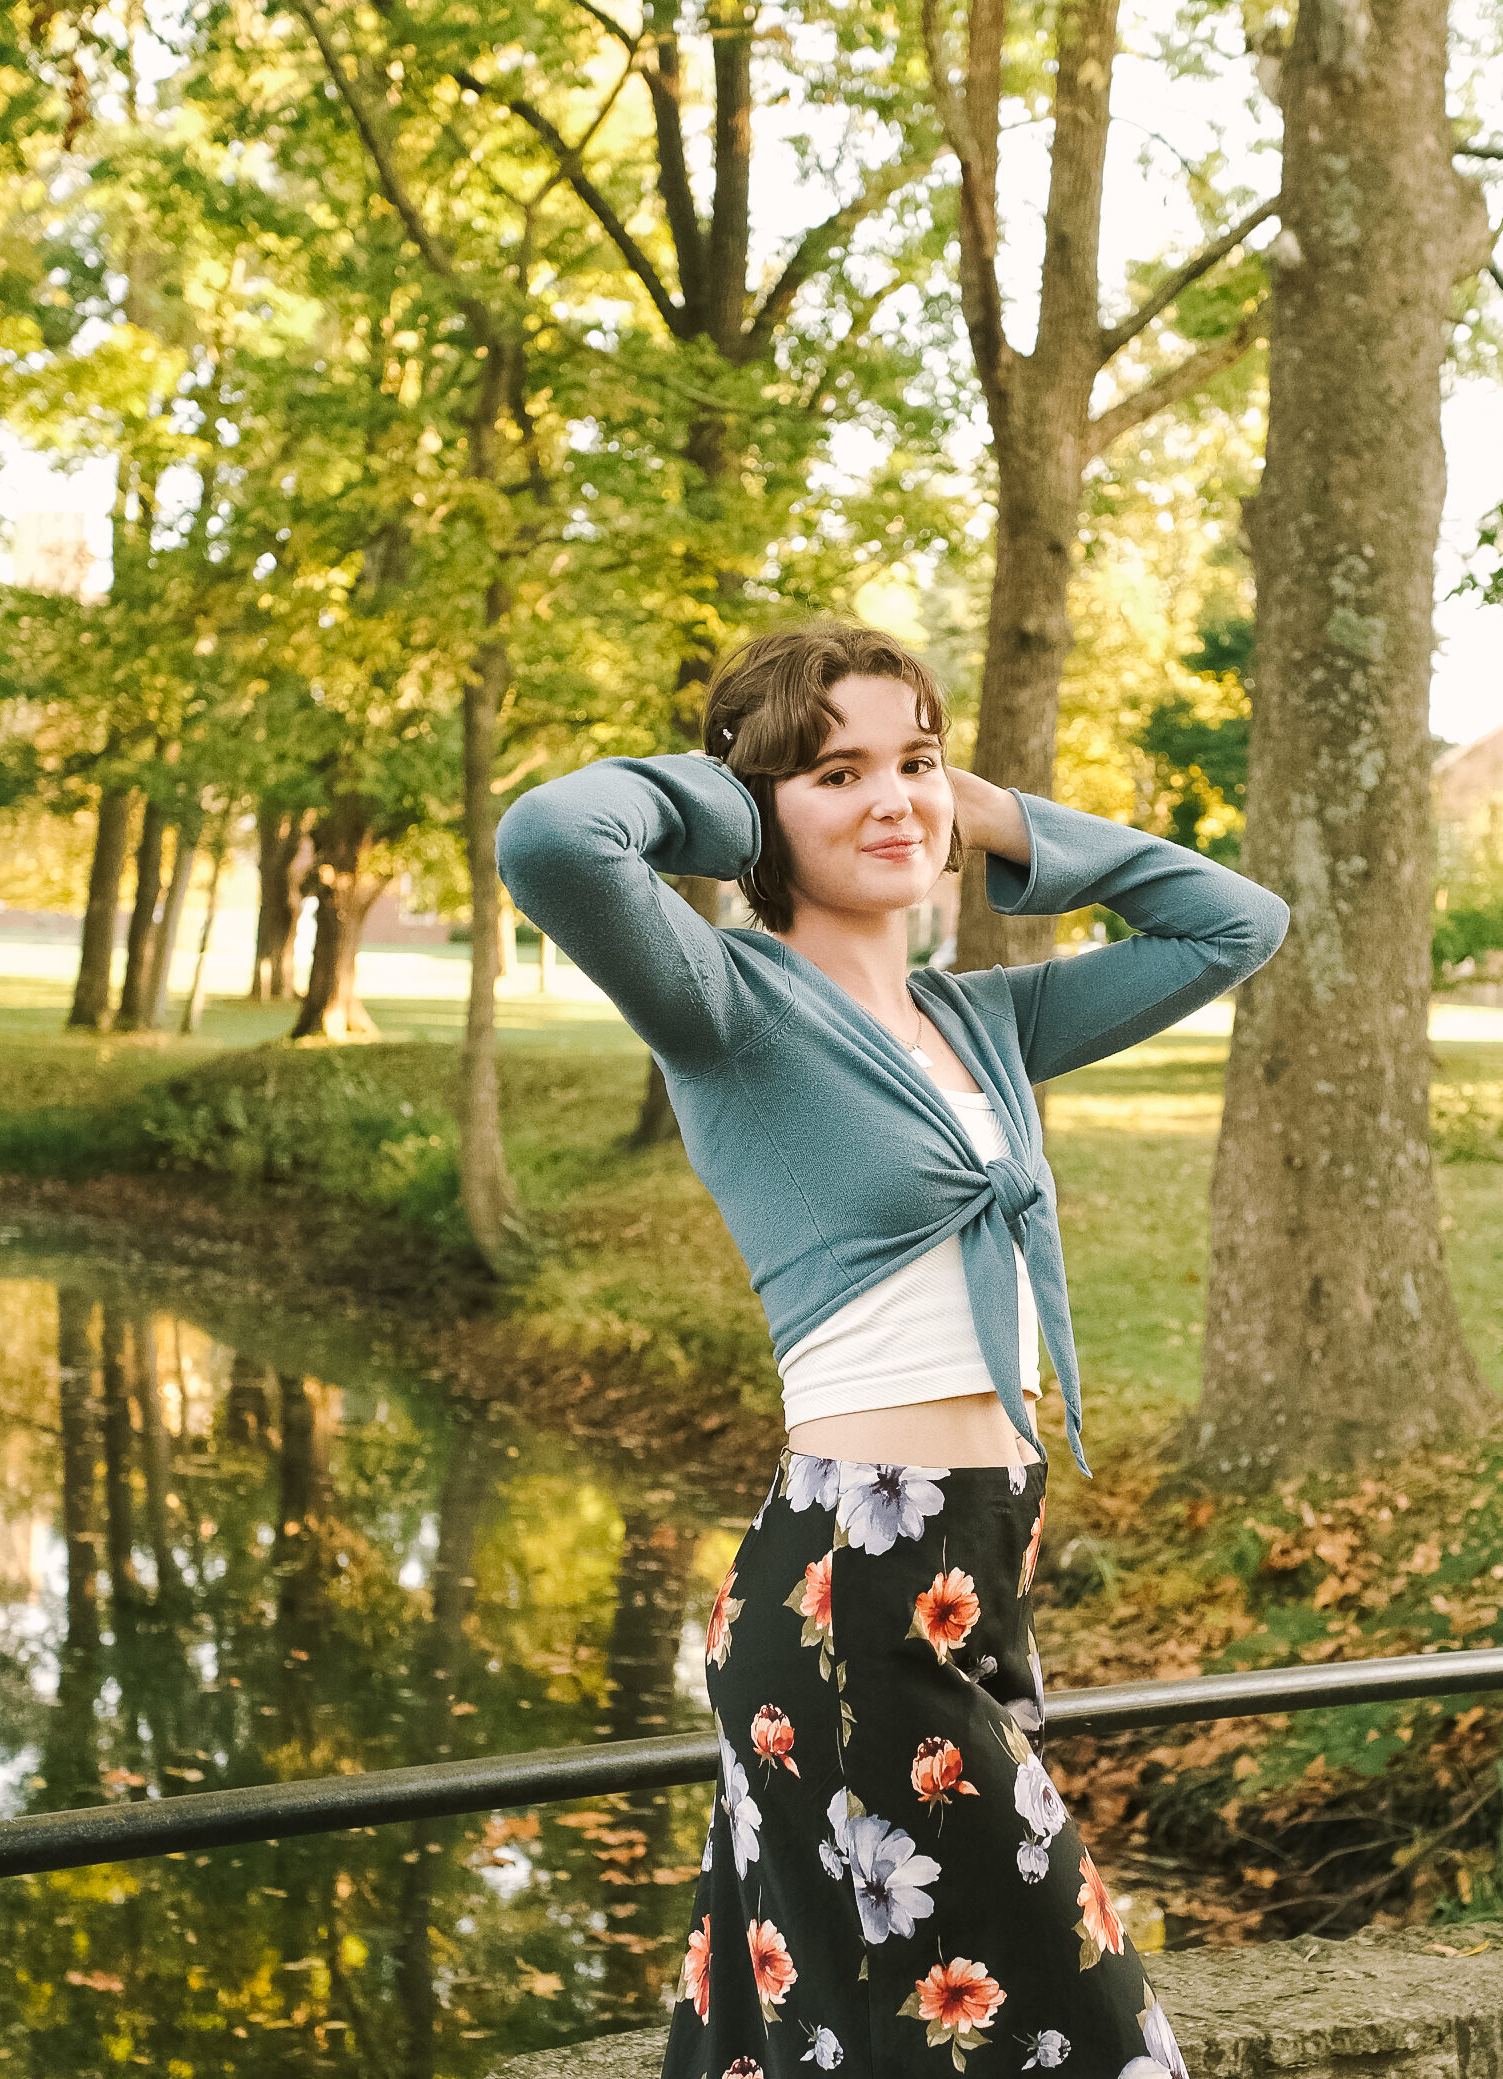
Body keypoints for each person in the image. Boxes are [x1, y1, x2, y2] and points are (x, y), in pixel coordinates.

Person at [496, 621, 1288, 2079]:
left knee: (828, 2035)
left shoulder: (983, 1021)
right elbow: (552, 835)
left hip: (967, 1580)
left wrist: (987, 813)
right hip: (851, 1592)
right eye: (837, 772)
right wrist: (739, 800)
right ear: (760, 813)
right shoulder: (728, 1005)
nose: (890, 802)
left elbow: (1236, 922)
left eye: (912, 761)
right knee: (1089, 2033)